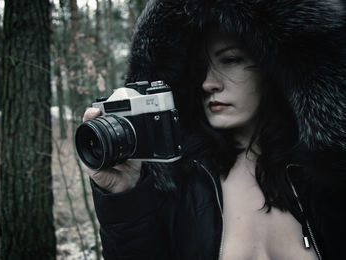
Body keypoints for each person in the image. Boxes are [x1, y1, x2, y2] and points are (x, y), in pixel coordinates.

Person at [82, 0, 346, 259]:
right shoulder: (181, 180)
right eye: (200, 69)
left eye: (230, 60)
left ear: (275, 65)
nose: (208, 83)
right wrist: (124, 196)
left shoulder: (329, 176)